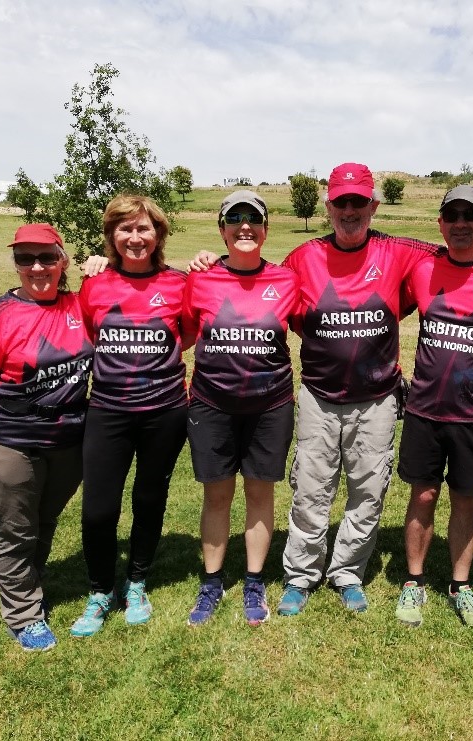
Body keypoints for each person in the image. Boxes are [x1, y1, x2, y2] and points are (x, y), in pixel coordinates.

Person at [276, 163, 473, 617]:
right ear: (329, 206)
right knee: (311, 489)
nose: (349, 211)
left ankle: (348, 572)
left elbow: (458, 248)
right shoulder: (302, 256)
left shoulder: (401, 251)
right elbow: (273, 299)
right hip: (318, 395)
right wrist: (210, 263)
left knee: (368, 492)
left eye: (359, 202)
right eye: (341, 202)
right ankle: (301, 575)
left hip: (377, 398)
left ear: (373, 206)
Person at [0, 223, 93, 652]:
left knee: (43, 521)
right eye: (24, 259)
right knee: (14, 529)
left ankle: (28, 584)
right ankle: (24, 614)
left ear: (63, 260)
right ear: (15, 264)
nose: (36, 267)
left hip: (69, 440)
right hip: (12, 439)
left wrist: (102, 267)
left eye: (46, 257)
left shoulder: (79, 304)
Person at [394, 185, 473, 630]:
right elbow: (381, 312)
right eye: (453, 215)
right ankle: (414, 580)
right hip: (425, 410)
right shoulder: (424, 269)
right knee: (423, 494)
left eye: (471, 215)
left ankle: (461, 585)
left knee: (464, 501)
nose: (461, 223)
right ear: (441, 223)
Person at [69, 195, 190, 638]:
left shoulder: (179, 283)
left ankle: (137, 582)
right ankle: (101, 590)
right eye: (125, 229)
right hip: (107, 411)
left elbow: (188, 333)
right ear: (112, 235)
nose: (135, 237)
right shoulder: (94, 283)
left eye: (144, 229)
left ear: (158, 234)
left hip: (165, 411)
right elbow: (85, 332)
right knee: (99, 510)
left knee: (149, 497)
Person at [180, 191, 300, 627]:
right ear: (222, 229)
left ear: (266, 229)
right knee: (216, 494)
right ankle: (211, 582)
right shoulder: (201, 279)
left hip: (270, 406)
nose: (244, 225)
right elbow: (184, 333)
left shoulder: (288, 280)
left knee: (259, 492)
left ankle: (253, 581)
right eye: (235, 218)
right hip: (212, 405)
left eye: (254, 218)